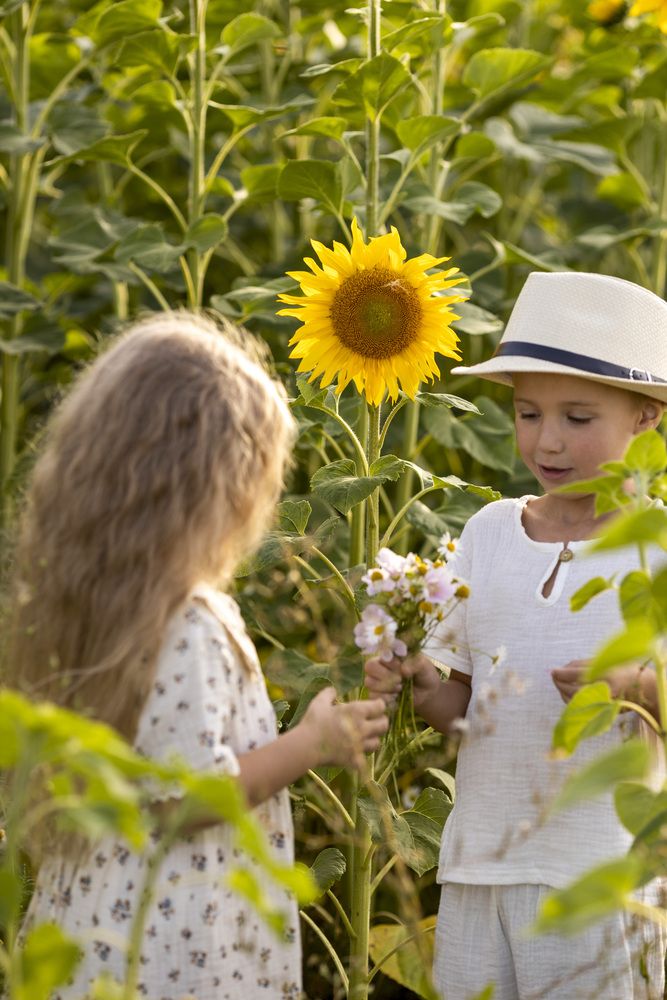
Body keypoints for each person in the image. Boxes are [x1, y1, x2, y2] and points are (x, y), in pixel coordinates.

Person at [8, 311, 388, 1000]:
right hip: (180, 946)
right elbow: (186, 796)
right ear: (227, 487)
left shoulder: (86, 602)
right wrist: (314, 741)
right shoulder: (192, 622)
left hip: (89, 928)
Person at [364, 272, 667, 1000]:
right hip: (478, 865)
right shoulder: (489, 531)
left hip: (598, 873)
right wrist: (418, 678)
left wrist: (633, 691)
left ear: (646, 419)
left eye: (577, 417)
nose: (547, 440)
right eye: (528, 413)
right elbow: (466, 712)